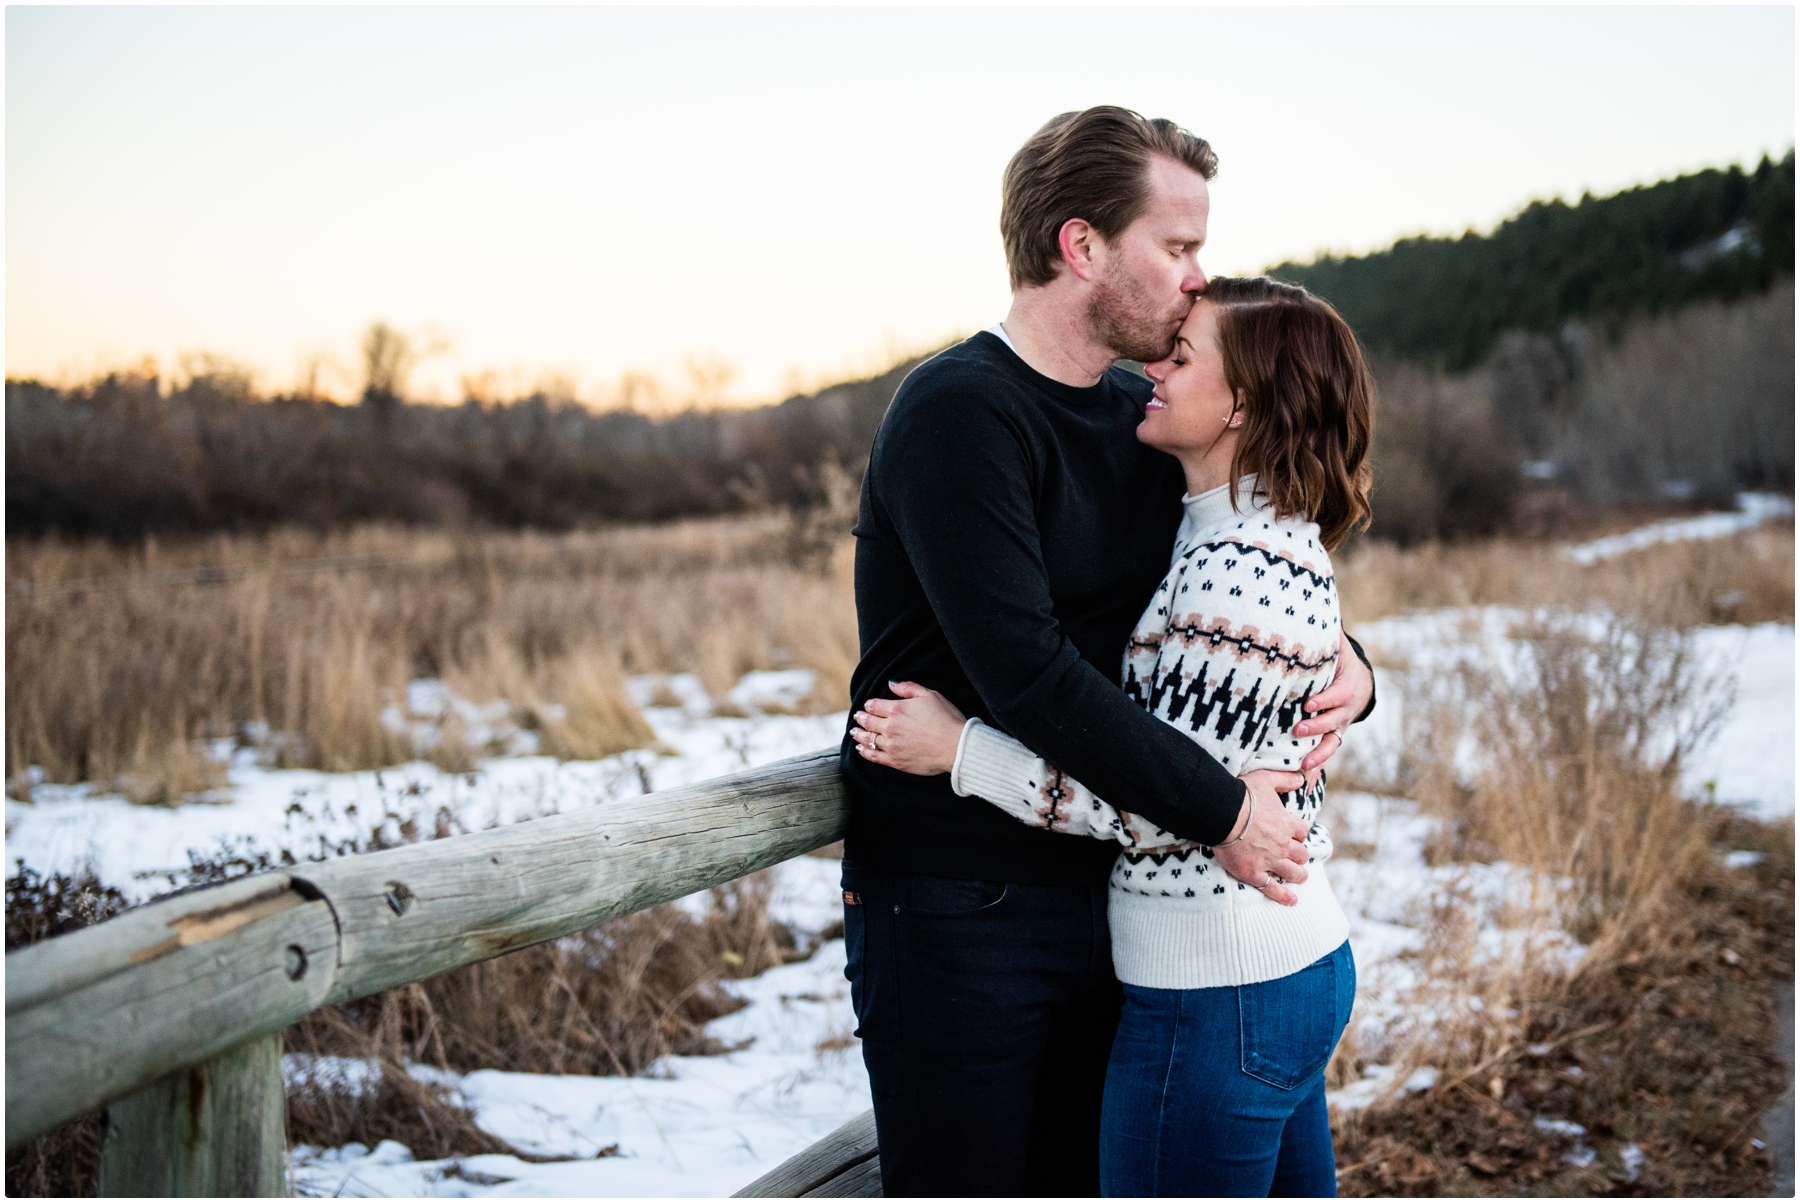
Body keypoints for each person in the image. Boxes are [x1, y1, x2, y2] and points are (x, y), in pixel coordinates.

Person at [837, 106, 1376, 1197]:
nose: (1196, 281)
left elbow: (1236, 576)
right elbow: (1028, 672)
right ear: (1080, 247)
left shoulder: (1141, 411)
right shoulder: (962, 413)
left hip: (1119, 887)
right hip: (964, 901)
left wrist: (1351, 670)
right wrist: (1225, 809)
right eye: (1177, 249)